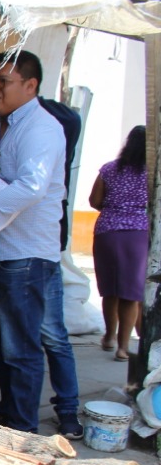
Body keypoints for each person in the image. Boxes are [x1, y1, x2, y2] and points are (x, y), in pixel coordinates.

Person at [0, 50, 80, 438]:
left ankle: (23, 430)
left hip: (26, 253)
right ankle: (14, 410)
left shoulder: (42, 129)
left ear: (30, 86)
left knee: (23, 346)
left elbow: (31, 188)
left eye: (4, 81)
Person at [90, 125, 148, 361]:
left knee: (110, 288)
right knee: (131, 293)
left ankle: (108, 337)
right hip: (137, 234)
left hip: (107, 233)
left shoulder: (109, 169)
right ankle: (123, 348)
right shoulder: (153, 173)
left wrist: (115, 210)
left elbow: (94, 200)